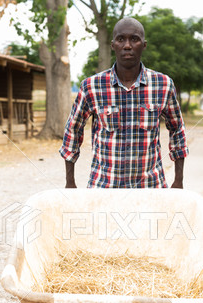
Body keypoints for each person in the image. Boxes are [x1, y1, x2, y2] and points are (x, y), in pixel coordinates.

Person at [59, 17, 189, 189]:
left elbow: (177, 129)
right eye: (121, 39)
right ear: (113, 45)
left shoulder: (163, 85)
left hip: (150, 188)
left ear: (144, 45)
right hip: (104, 188)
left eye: (134, 39)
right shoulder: (91, 86)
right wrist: (70, 183)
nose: (127, 45)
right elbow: (73, 131)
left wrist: (178, 181)